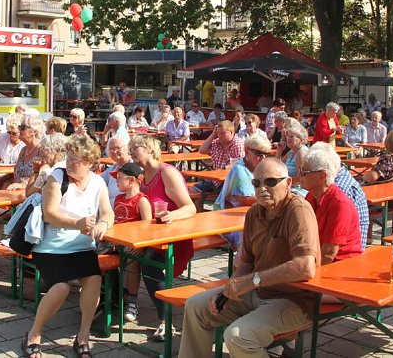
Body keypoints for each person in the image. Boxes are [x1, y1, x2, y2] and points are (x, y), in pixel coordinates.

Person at [178, 157, 320, 358]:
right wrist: (231, 289)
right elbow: (246, 261)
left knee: (237, 336)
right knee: (196, 306)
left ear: (288, 183)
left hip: (294, 299)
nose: (262, 188)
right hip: (258, 292)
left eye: (270, 182)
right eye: (256, 183)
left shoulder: (298, 210)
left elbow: (305, 267)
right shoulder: (255, 212)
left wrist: (252, 281)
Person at [22, 135, 113, 358]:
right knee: (61, 287)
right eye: (69, 158)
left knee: (94, 280)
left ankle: (83, 336)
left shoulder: (98, 181)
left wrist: (103, 223)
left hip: (82, 248)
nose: (70, 163)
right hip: (51, 247)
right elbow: (50, 214)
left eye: (77, 160)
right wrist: (77, 224)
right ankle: (34, 334)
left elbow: (108, 212)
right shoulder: (56, 177)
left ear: (91, 163)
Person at [130, 134, 197, 341]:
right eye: (130, 148)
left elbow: (190, 207)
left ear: (149, 149)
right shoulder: (142, 177)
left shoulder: (167, 172)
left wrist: (171, 215)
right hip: (154, 234)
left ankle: (165, 321)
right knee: (124, 253)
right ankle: (122, 303)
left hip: (175, 234)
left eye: (136, 147)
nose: (131, 151)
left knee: (150, 264)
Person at [299, 143, 362, 263]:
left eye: (304, 172)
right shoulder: (311, 196)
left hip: (341, 266)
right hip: (317, 259)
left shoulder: (340, 204)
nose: (299, 176)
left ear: (322, 176)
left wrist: (302, 270)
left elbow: (328, 253)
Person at [110, 161, 153, 324]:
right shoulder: (119, 198)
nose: (117, 181)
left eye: (120, 178)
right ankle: (110, 294)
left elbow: (148, 227)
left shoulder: (141, 200)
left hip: (133, 242)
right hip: (116, 241)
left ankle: (132, 300)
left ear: (132, 180)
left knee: (132, 261)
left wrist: (140, 246)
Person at [213, 135, 271, 250]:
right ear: (247, 151)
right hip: (228, 217)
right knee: (251, 238)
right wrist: (272, 197)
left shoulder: (259, 167)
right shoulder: (240, 170)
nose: (263, 158)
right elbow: (244, 200)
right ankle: (243, 265)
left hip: (247, 214)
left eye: (266, 154)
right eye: (259, 154)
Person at [102, 136, 132, 204]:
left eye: (118, 148)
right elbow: (98, 181)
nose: (115, 151)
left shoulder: (135, 168)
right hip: (111, 210)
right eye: (111, 149)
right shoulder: (114, 168)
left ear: (127, 148)